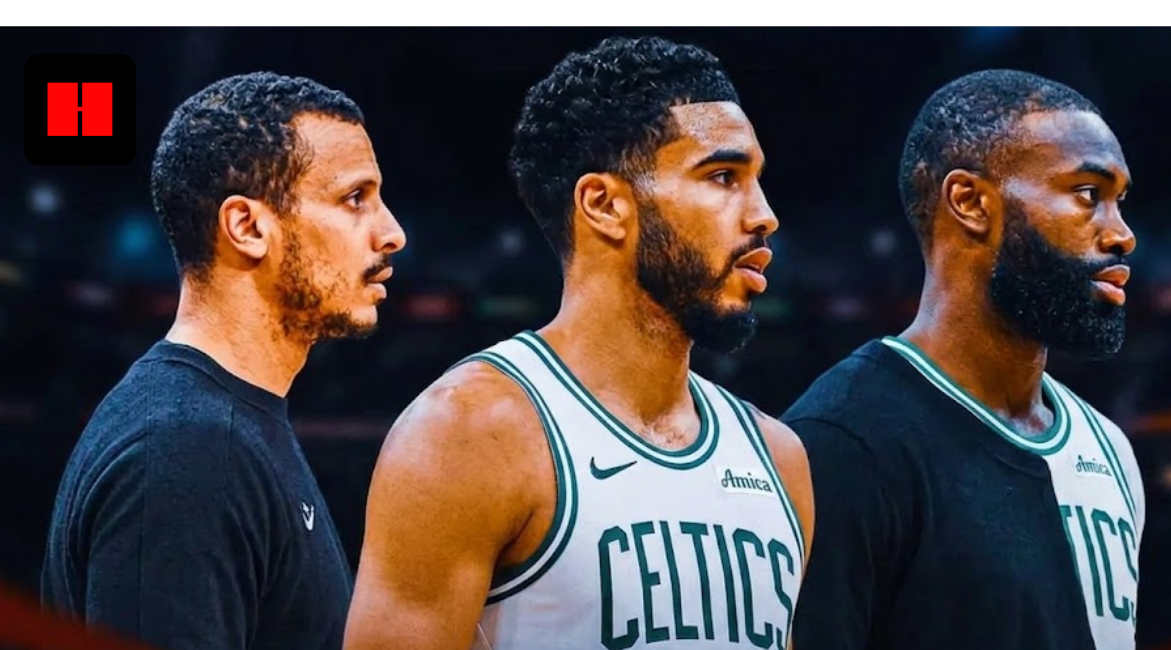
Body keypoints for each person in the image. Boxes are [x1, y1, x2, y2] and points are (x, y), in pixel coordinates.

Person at [344, 36, 813, 650]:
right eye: (723, 176)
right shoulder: (468, 433)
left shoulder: (780, 460)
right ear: (604, 205)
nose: (764, 214)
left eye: (756, 180)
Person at [41, 71, 406, 650]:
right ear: (247, 227)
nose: (392, 233)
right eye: (355, 198)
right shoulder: (186, 450)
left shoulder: (224, 424)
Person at [783, 69, 1143, 650]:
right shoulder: (838, 442)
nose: (1122, 234)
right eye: (1086, 195)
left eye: (1118, 201)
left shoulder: (1108, 448)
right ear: (970, 202)